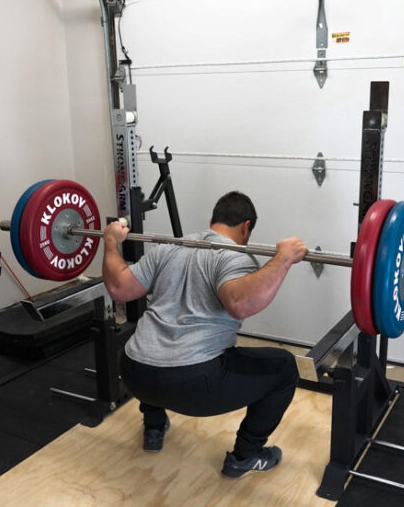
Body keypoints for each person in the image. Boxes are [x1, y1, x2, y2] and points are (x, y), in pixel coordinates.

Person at [102, 191, 307, 479]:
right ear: (246, 227)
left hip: (135, 373)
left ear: (212, 220)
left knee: (155, 342)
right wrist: (283, 259)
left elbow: (120, 289)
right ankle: (245, 456)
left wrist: (110, 242)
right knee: (285, 367)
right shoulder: (234, 256)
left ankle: (153, 426)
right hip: (195, 385)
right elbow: (239, 304)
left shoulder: (169, 248)